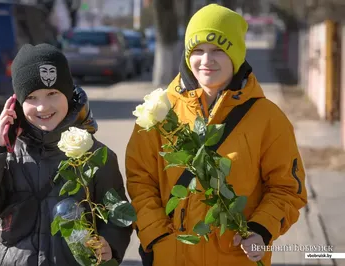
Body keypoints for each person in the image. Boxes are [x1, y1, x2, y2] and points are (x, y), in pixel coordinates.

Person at [125, 4, 307, 266]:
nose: (206, 60)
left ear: (236, 55)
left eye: (218, 50)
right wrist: (156, 236)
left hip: (237, 258)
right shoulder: (158, 111)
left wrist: (261, 230)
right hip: (171, 256)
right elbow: (140, 181)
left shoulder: (268, 118)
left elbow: (287, 189)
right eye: (197, 50)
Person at [0, 43, 132, 266]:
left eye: (52, 93)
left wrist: (111, 243)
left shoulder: (96, 155)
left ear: (68, 95)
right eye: (31, 97)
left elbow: (118, 215)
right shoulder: (5, 155)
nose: (43, 107)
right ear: (16, 103)